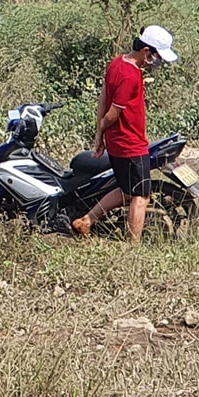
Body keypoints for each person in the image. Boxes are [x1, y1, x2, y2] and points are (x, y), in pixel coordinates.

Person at [72, 25, 178, 242]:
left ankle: (87, 220)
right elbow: (113, 113)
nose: (158, 63)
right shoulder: (130, 75)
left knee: (127, 190)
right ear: (147, 51)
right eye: (157, 56)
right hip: (130, 144)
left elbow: (103, 98)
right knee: (141, 196)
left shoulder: (118, 62)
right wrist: (102, 128)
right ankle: (133, 244)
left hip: (118, 142)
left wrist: (100, 134)